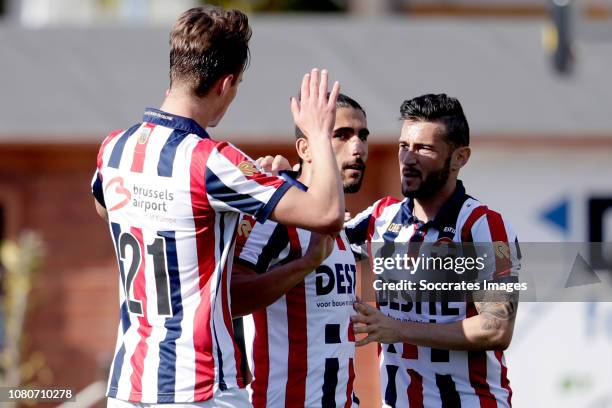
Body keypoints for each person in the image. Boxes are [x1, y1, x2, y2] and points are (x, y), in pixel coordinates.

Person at [90, 5, 345, 407]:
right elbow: (326, 212)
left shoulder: (115, 148)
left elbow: (108, 209)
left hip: (129, 386)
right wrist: (318, 133)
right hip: (201, 386)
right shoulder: (212, 160)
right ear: (226, 83)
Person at [347, 94, 520, 407]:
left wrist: (397, 329)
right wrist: (286, 178)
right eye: (404, 146)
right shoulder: (380, 216)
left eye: (424, 148)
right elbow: (314, 234)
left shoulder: (484, 226)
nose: (408, 159)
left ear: (459, 158)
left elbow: (496, 328)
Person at [231, 94, 369, 407]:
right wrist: (306, 264)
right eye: (342, 135)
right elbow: (232, 297)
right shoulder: (280, 215)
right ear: (305, 148)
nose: (357, 147)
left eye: (362, 135)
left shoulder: (345, 224)